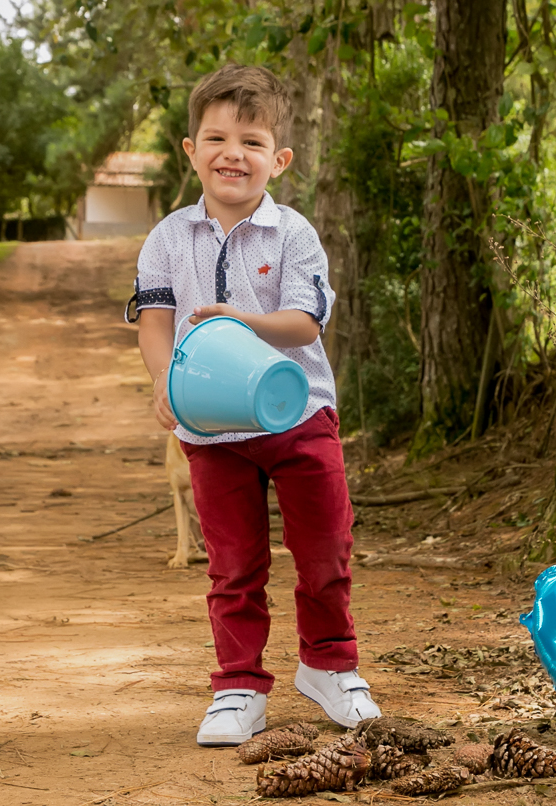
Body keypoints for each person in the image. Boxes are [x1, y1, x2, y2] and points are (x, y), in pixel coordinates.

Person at [127, 64, 381, 747]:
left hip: (300, 419)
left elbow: (305, 323)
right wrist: (162, 379)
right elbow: (154, 316)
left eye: (252, 140)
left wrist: (239, 322)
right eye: (215, 137)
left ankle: (331, 665)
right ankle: (238, 685)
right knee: (233, 564)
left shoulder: (293, 234)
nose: (232, 153)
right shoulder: (167, 238)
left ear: (279, 158)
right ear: (191, 150)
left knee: (325, 548)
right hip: (210, 430)